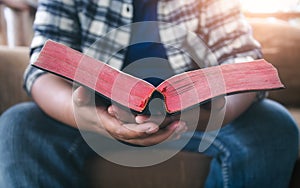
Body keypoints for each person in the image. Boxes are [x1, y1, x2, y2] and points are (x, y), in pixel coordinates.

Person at [0, 0, 298, 187]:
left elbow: (241, 57)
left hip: (194, 120)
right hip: (92, 119)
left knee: (272, 125)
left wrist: (212, 115)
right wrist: (82, 114)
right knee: (18, 126)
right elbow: (42, 67)